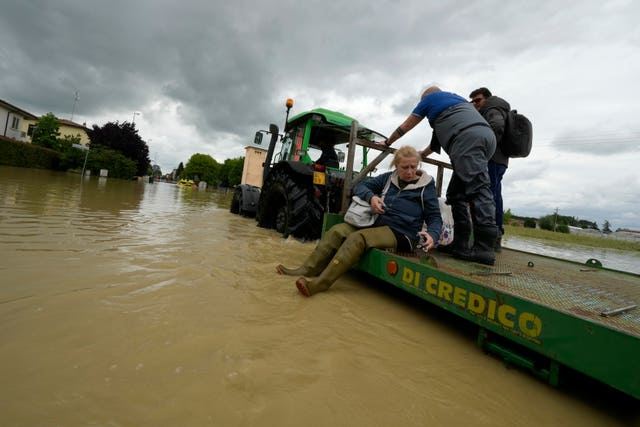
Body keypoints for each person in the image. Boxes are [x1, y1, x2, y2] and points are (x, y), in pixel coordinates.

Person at [276, 146, 443, 297]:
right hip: (378, 224)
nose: (409, 171)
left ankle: (319, 284)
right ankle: (307, 269)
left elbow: (435, 217)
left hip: (403, 233)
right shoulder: (387, 178)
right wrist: (372, 198)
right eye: (404, 167)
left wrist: (433, 235)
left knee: (358, 238)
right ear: (396, 166)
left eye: (413, 167)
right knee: (337, 230)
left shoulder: (425, 187)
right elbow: (361, 187)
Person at [382, 86, 497, 265]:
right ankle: (459, 244)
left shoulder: (430, 99)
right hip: (485, 136)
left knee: (479, 188)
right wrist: (417, 156)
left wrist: (388, 141)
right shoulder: (453, 105)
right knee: (455, 194)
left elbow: (406, 125)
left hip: (466, 139)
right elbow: (434, 145)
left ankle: (485, 248)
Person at [469, 87, 510, 251]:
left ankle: (489, 239)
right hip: (500, 160)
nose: (475, 104)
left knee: (487, 197)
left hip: (492, 159)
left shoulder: (492, 108)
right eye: (472, 101)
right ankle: (496, 237)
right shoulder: (497, 108)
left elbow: (497, 126)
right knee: (494, 196)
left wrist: (483, 149)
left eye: (477, 100)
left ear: (487, 98)